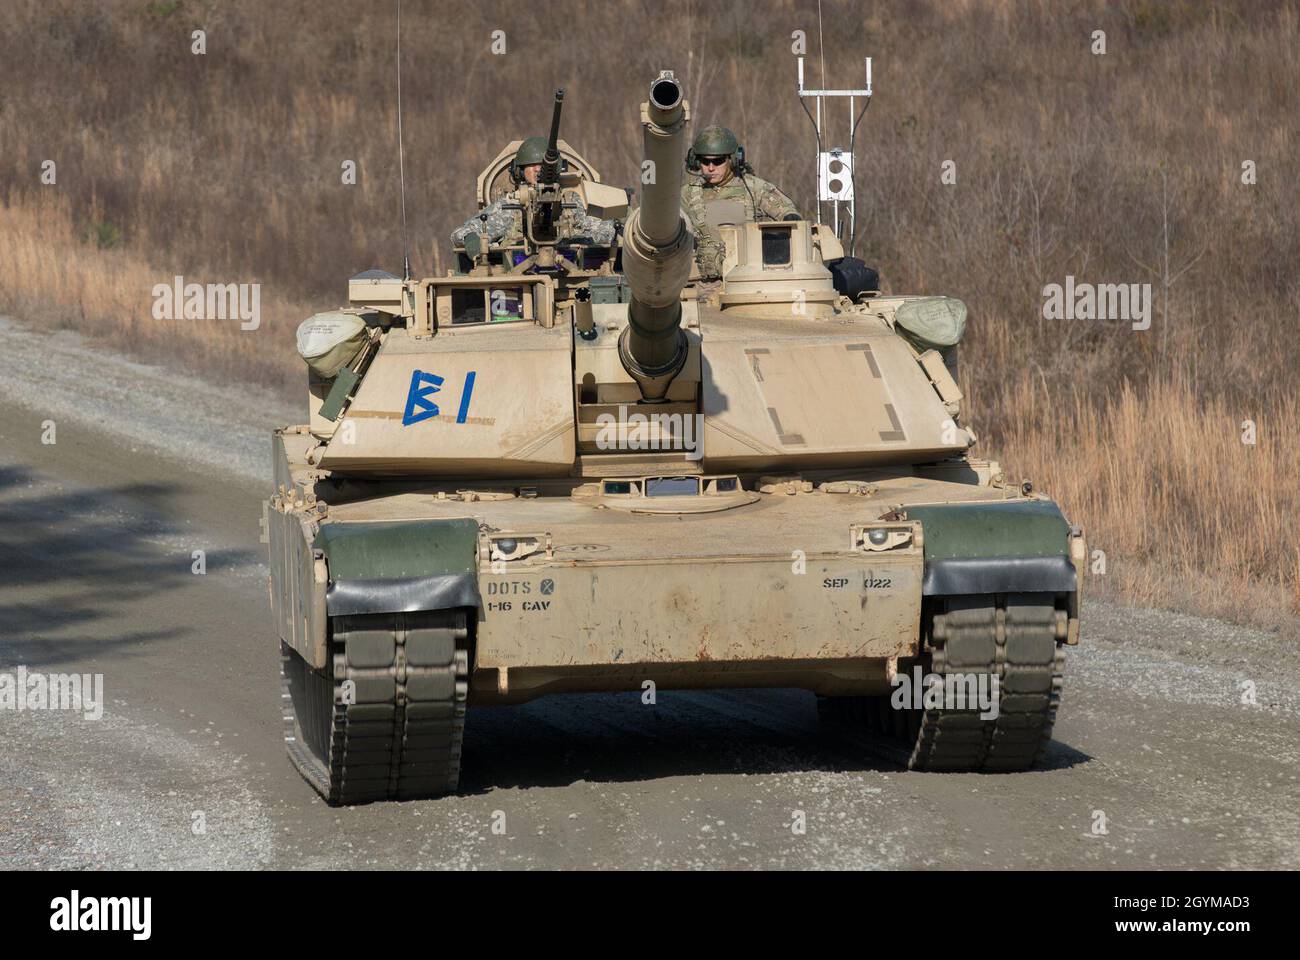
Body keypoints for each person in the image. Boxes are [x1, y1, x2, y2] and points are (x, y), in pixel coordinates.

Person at [680, 125, 800, 280]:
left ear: (733, 160)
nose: (710, 168)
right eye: (705, 161)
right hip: (704, 283)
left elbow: (787, 212)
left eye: (718, 161)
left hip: (749, 280)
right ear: (696, 162)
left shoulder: (754, 188)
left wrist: (789, 218)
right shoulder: (688, 194)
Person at [450, 137, 616, 248]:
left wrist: (579, 241)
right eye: (532, 165)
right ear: (520, 171)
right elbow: (460, 234)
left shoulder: (572, 202)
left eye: (543, 165)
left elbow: (607, 231)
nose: (538, 169)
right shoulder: (510, 206)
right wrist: (472, 240)